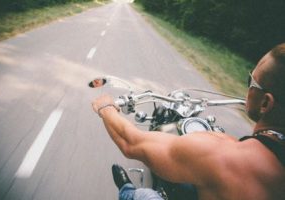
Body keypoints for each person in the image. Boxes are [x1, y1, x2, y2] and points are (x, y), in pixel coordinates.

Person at [92, 43, 285, 200]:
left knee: (145, 195)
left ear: (265, 103)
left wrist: (106, 108)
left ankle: (126, 190)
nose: (248, 87)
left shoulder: (225, 155)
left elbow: (131, 143)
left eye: (251, 81)